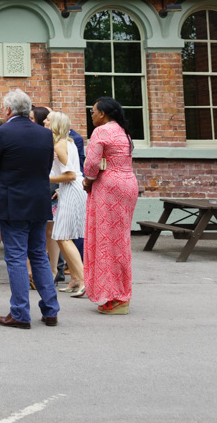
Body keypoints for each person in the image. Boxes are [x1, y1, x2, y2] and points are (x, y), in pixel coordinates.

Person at [0, 89, 61, 329]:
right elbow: (46, 167)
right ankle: (51, 310)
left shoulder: (1, 133)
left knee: (15, 256)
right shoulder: (44, 134)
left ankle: (20, 313)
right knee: (38, 255)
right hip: (38, 200)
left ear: (8, 110)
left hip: (12, 201)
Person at [83, 96, 139, 315]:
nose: (92, 115)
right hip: (128, 183)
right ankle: (121, 294)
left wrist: (87, 180)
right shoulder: (123, 132)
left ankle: (116, 296)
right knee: (121, 240)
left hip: (110, 187)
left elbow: (91, 164)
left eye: (93, 112)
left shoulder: (101, 131)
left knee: (106, 241)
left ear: (103, 114)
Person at [46, 110, 86, 297]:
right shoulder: (65, 143)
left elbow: (70, 174)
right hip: (68, 189)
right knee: (61, 235)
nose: (44, 122)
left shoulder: (61, 145)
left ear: (54, 125)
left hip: (71, 188)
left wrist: (46, 179)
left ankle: (84, 279)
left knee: (65, 236)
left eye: (48, 120)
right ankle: (75, 278)